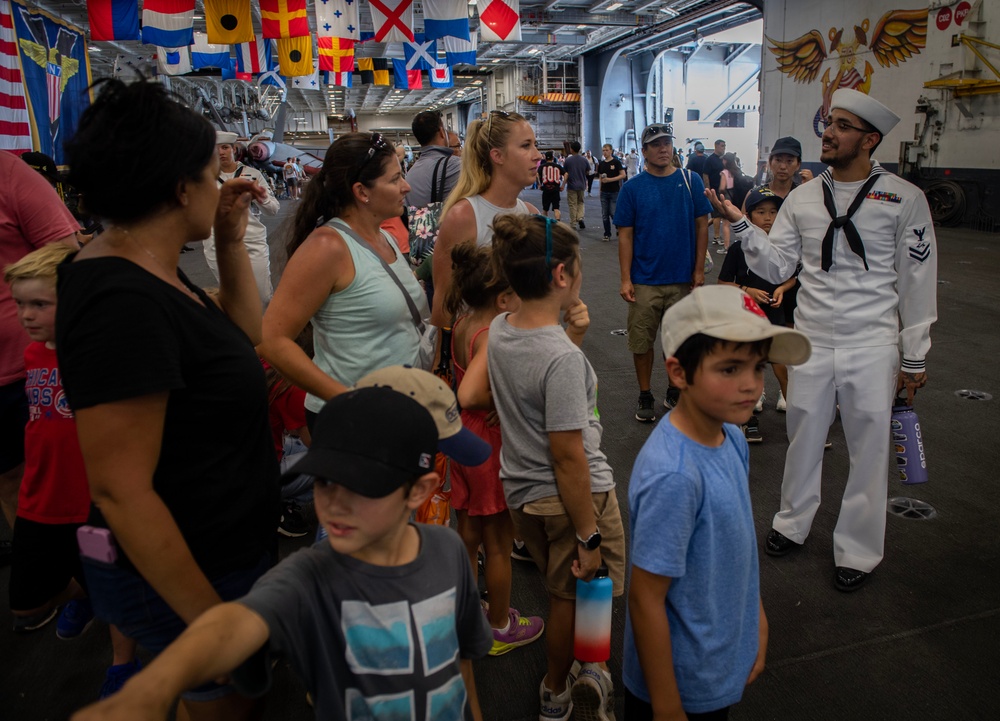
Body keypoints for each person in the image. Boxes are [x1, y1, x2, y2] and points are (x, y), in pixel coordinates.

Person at [70, 386, 494, 721]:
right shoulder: (308, 576)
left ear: (418, 490)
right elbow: (232, 623)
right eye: (324, 482)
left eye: (362, 486)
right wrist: (154, 687)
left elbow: (464, 665)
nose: (334, 504)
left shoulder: (448, 549)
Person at [58, 79, 278, 721]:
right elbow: (123, 491)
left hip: (221, 542)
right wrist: (210, 622)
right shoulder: (120, 301)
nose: (222, 186)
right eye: (214, 175)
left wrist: (231, 241)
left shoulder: (147, 266)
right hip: (193, 566)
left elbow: (245, 337)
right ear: (180, 188)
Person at [708, 88, 938, 592]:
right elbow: (775, 265)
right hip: (811, 340)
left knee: (869, 449)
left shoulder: (904, 198)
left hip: (873, 343)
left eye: (841, 125)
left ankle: (858, 548)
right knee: (804, 437)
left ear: (869, 139)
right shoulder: (805, 199)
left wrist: (914, 355)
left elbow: (918, 282)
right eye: (829, 123)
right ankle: (792, 522)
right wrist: (743, 225)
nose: (828, 133)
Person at [460, 214, 626, 721]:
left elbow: (533, 396)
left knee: (567, 591)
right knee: (576, 593)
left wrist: (569, 333)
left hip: (521, 491)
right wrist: (589, 535)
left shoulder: (503, 330)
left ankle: (584, 669)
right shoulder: (560, 357)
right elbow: (568, 455)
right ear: (562, 277)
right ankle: (560, 685)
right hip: (574, 499)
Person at [625, 285, 811, 721]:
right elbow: (646, 599)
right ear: (678, 373)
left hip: (718, 657)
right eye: (729, 369)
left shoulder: (730, 435)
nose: (750, 385)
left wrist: (756, 618)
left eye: (758, 367)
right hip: (679, 683)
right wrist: (668, 705)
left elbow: (738, 545)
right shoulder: (674, 475)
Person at [4, 243, 142, 695]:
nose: (25, 315)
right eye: (20, 304)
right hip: (41, 496)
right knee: (26, 602)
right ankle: (85, 597)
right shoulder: (33, 355)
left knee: (113, 586)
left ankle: (122, 665)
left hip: (91, 502)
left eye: (39, 304)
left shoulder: (96, 354)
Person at [259, 133, 426, 424]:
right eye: (395, 178)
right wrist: (343, 398)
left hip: (401, 407)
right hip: (356, 419)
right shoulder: (327, 247)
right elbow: (272, 340)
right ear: (362, 191)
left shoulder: (384, 236)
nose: (406, 186)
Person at [444, 242, 545, 656]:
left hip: (459, 438)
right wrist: (507, 403)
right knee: (499, 544)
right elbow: (472, 394)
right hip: (486, 443)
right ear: (503, 297)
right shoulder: (491, 334)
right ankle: (500, 626)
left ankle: (467, 614)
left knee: (468, 533)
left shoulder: (463, 321)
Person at [0, 150, 81, 563]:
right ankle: (48, 569)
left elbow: (65, 260)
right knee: (10, 476)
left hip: (24, 366)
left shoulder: (11, 175)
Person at [614, 123, 712, 423]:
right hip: (645, 280)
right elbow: (625, 235)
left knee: (680, 342)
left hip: (683, 278)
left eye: (667, 143)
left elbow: (701, 226)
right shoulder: (632, 188)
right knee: (642, 342)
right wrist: (626, 278)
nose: (663, 149)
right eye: (656, 145)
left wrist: (697, 270)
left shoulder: (690, 179)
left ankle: (674, 389)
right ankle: (645, 393)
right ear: (644, 151)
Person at [429, 109, 540, 329]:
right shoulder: (464, 217)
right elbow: (444, 301)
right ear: (497, 156)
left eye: (535, 145)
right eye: (526, 146)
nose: (537, 155)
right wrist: (440, 361)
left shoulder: (531, 214)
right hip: (476, 349)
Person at [717, 188, 798, 443]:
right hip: (746, 319)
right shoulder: (739, 249)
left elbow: (795, 275)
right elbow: (722, 283)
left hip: (776, 316)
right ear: (748, 216)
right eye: (761, 212)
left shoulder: (786, 247)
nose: (768, 218)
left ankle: (800, 424)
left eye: (774, 212)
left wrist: (783, 288)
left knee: (784, 368)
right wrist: (747, 290)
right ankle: (747, 419)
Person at [203, 131, 280, 306]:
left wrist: (261, 197)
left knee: (263, 296)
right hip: (217, 243)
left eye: (225, 148)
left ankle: (265, 330)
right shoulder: (203, 177)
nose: (221, 153)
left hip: (252, 239)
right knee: (234, 297)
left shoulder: (252, 174)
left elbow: (273, 210)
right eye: (215, 149)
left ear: (234, 150)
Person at [597, 144, 626, 243]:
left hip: (614, 191)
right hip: (604, 192)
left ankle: (618, 227)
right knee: (604, 214)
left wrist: (610, 180)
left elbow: (623, 175)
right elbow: (601, 177)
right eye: (603, 150)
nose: (605, 152)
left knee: (613, 213)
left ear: (611, 151)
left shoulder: (616, 162)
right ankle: (607, 234)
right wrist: (600, 190)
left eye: (606, 150)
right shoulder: (601, 164)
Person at [704, 139, 726, 243]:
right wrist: (708, 189)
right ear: (716, 146)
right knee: (717, 215)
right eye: (722, 146)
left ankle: (701, 227)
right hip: (714, 190)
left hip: (722, 191)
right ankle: (716, 237)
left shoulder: (723, 160)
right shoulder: (710, 160)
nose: (723, 148)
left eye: (724, 146)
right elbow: (705, 175)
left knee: (719, 214)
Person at [563, 141, 589, 230]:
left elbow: (565, 173)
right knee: (581, 202)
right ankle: (580, 217)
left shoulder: (568, 160)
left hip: (571, 185)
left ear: (571, 149)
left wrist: (563, 184)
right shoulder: (584, 160)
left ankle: (573, 223)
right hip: (582, 185)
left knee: (572, 204)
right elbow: (588, 171)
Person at [537, 150, 566, 221]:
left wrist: (539, 184)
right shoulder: (557, 166)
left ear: (545, 158)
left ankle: (545, 223)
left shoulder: (542, 166)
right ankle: (558, 222)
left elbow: (537, 174)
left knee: (545, 209)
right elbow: (566, 174)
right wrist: (563, 185)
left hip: (546, 188)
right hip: (555, 189)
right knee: (556, 208)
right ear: (553, 158)